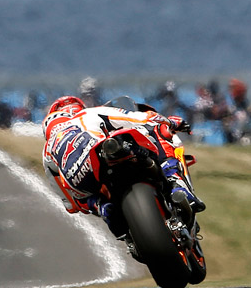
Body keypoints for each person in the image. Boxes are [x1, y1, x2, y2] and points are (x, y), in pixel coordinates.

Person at [42, 95, 204, 238]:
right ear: (76, 110)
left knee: (88, 198)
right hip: (100, 154)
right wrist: (171, 121)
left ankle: (103, 208)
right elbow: (140, 118)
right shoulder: (86, 114)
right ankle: (176, 182)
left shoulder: (47, 150)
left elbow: (70, 204)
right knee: (157, 130)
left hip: (80, 181)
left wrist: (91, 204)